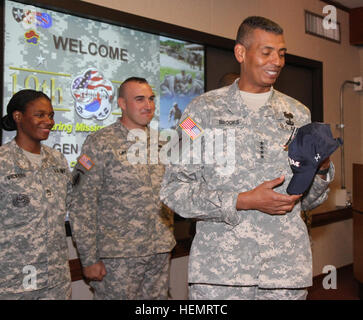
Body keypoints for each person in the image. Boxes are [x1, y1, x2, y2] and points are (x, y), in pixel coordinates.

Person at [160, 16, 334, 300]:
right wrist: (242, 200)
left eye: (281, 53)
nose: (276, 61)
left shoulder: (298, 113)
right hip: (221, 277)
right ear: (241, 53)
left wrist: (322, 170)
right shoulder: (200, 111)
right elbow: (174, 190)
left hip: (284, 274)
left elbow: (308, 201)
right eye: (266, 52)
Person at [69, 77, 176, 300]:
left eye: (151, 99)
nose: (148, 105)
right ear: (122, 104)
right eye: (139, 99)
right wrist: (88, 259)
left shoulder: (163, 143)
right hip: (118, 257)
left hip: (159, 250)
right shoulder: (101, 142)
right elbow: (82, 203)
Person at [0, 89, 72, 300]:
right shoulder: (3, 162)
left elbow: (73, 207)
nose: (48, 121)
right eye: (40, 115)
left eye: (51, 115)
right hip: (14, 282)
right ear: (18, 116)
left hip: (56, 281)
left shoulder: (58, 160)